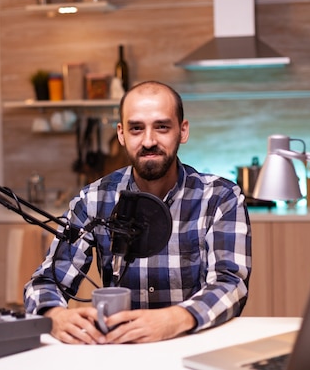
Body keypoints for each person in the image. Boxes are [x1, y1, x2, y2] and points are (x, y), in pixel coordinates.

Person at [24, 80, 251, 344]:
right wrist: (54, 314)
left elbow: (231, 284)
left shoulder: (220, 197)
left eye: (162, 127)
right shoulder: (93, 199)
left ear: (183, 131)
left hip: (194, 346)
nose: (149, 141)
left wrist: (173, 319)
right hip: (119, 351)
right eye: (136, 129)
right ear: (121, 134)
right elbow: (45, 282)